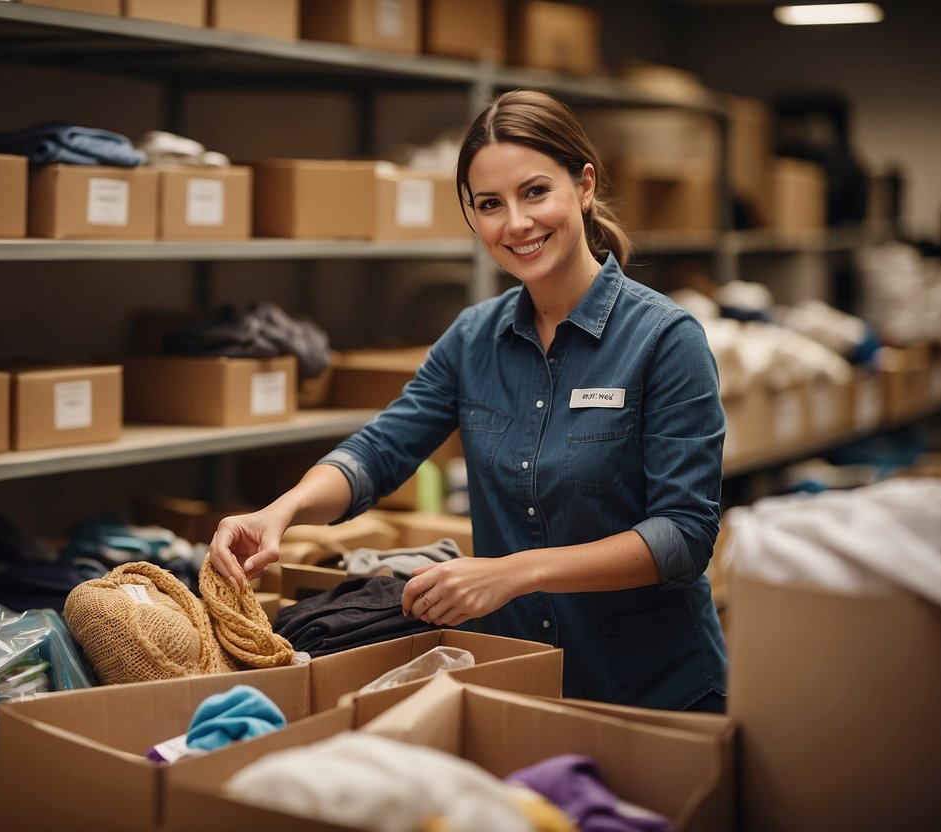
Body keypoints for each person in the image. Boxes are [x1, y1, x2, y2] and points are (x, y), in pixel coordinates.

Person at [208, 89, 727, 712]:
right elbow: (380, 452)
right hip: (515, 680)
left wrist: (514, 571)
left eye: (535, 192)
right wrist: (280, 512)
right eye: (489, 204)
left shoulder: (665, 340)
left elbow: (683, 535)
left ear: (584, 186)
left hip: (653, 688)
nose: (515, 223)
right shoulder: (473, 338)